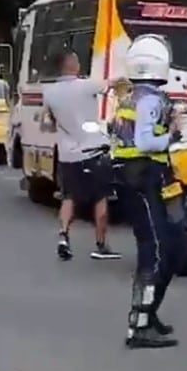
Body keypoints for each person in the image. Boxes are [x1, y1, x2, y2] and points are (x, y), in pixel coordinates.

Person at [110, 35, 187, 349]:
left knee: (172, 245)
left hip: (147, 177)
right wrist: (171, 137)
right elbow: (145, 142)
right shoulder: (150, 100)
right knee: (156, 251)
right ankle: (140, 324)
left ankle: (149, 312)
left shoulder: (132, 96)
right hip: (143, 178)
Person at [42, 49, 124, 261]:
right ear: (72, 65)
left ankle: (63, 235)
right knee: (100, 198)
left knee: (69, 197)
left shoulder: (49, 93)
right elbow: (114, 83)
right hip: (94, 152)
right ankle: (101, 244)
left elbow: (47, 125)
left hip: (68, 155)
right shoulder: (87, 85)